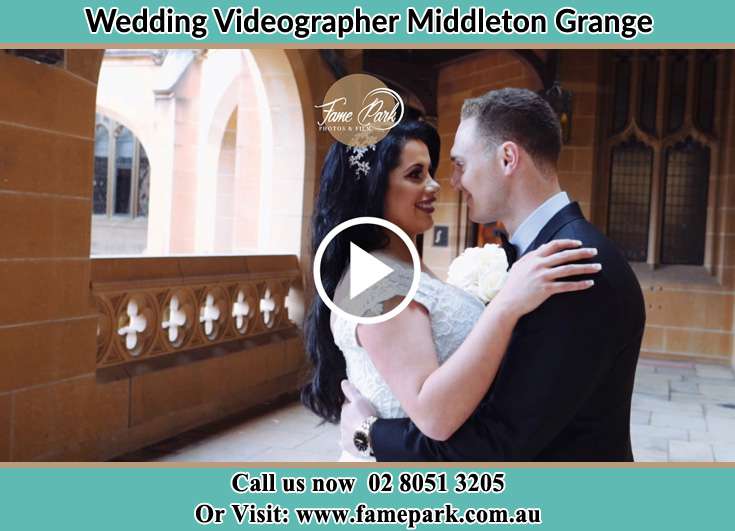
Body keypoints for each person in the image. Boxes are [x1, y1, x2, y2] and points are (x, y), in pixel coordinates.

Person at [337, 88, 646, 461]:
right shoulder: (546, 256)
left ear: (507, 158)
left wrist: (369, 435)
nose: (448, 183)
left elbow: (500, 439)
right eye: (417, 173)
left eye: (460, 164)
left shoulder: (572, 264)